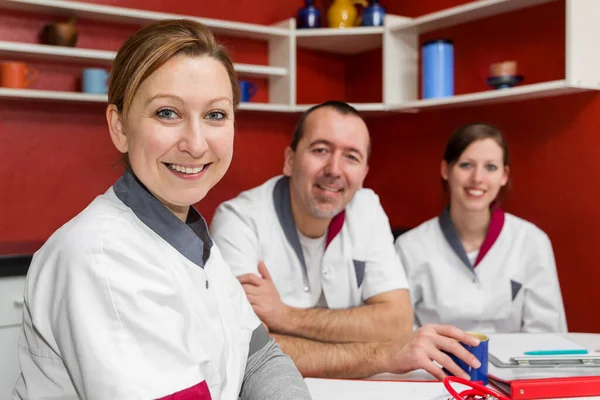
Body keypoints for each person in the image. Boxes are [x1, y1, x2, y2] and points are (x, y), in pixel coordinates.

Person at [13, 19, 310, 400]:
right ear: (119, 127)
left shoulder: (192, 238)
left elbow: (259, 359)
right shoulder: (100, 259)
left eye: (215, 114)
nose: (196, 143)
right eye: (167, 113)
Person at [210, 101, 483, 380]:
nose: (334, 169)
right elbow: (249, 347)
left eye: (351, 157)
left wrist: (286, 317)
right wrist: (382, 353)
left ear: (364, 173)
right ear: (290, 161)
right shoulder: (239, 220)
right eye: (320, 150)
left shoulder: (366, 207)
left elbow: (397, 322)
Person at [395, 122, 567, 333]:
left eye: (490, 167)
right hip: (434, 365)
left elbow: (547, 334)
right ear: (445, 170)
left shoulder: (531, 241)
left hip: (513, 365)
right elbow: (401, 335)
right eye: (466, 165)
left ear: (504, 176)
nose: (477, 178)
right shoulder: (409, 247)